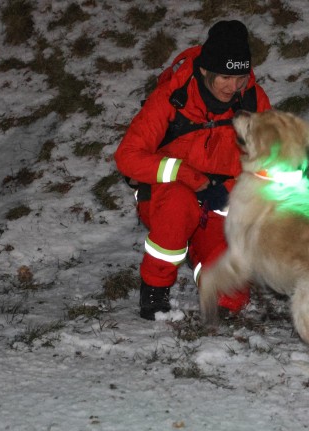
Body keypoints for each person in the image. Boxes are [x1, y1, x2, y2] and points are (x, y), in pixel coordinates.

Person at [115, 20, 272, 320]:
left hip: (218, 205)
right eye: (225, 77)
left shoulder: (252, 99)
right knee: (178, 205)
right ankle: (155, 288)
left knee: (231, 295)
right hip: (167, 197)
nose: (233, 87)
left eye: (240, 77)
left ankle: (205, 259)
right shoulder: (171, 97)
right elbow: (128, 157)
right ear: (205, 71)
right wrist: (184, 174)